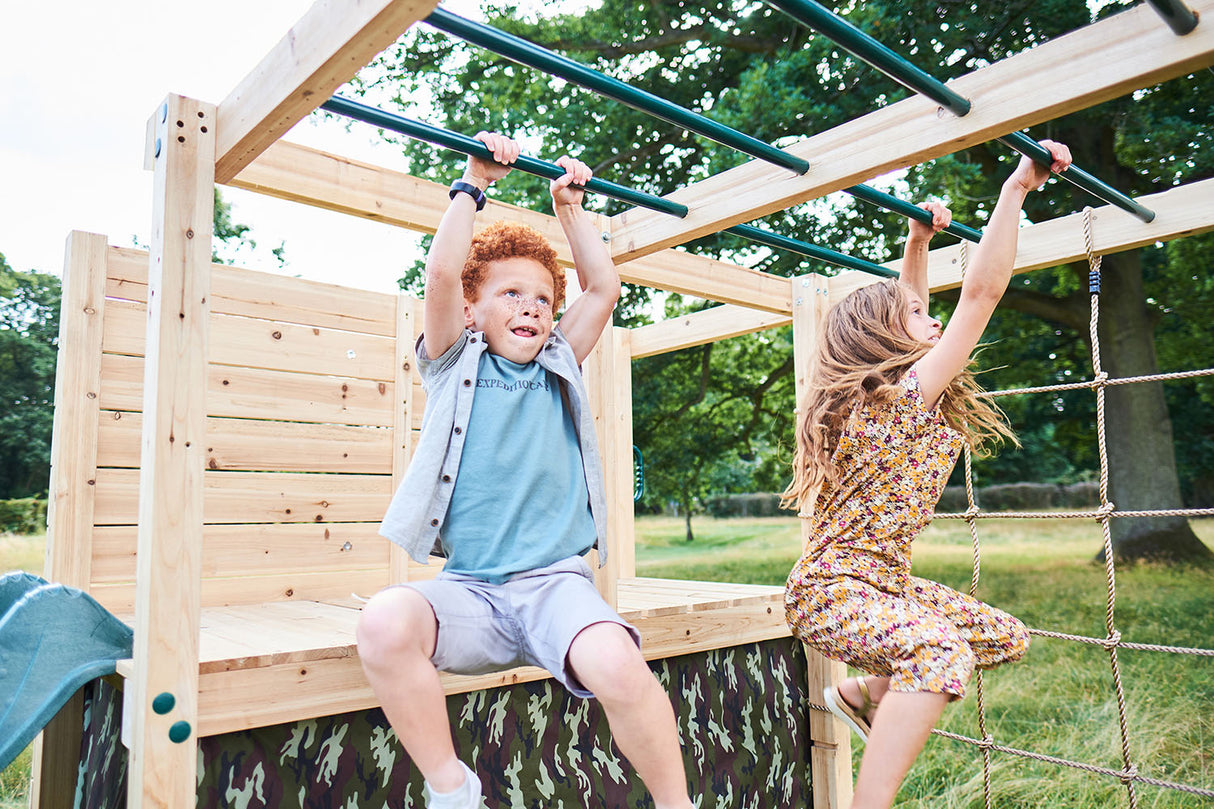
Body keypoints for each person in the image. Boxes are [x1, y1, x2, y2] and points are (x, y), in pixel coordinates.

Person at [358, 132, 695, 809]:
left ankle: (676, 803)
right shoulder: (455, 358)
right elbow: (441, 275)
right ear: (474, 310)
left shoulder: (559, 360)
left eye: (542, 299)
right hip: (472, 593)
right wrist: (472, 182)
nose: (532, 308)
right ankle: (452, 788)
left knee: (620, 667)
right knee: (384, 622)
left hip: (555, 587)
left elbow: (603, 286)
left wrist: (569, 206)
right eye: (510, 294)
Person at [782, 140, 1073, 809]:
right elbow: (983, 291)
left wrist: (916, 243)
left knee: (1003, 635)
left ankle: (861, 693)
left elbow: (910, 306)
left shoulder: (884, 400)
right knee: (938, 653)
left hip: (882, 582)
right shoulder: (896, 402)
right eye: (918, 317)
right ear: (887, 341)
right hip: (833, 588)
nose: (933, 318)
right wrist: (1016, 190)